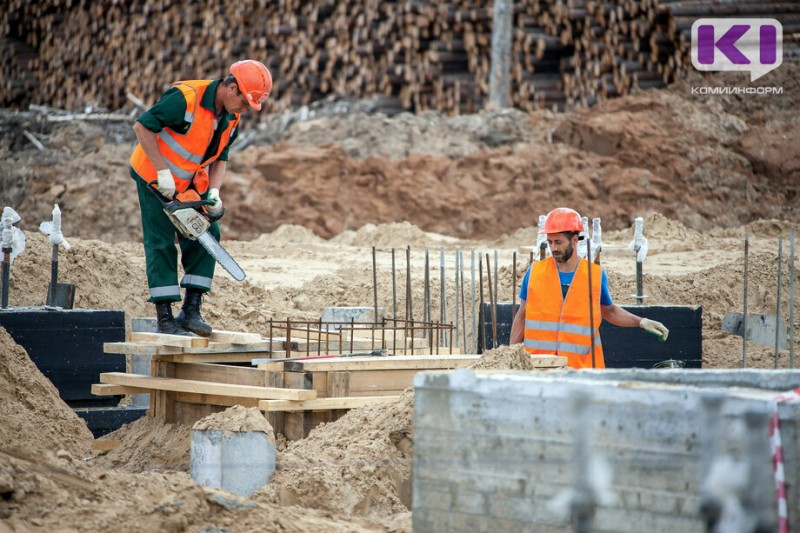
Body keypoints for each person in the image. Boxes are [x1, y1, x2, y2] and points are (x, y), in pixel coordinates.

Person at [130, 59, 272, 336]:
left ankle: (191, 310)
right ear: (232, 88)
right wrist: (162, 172)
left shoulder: (232, 117)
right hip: (152, 175)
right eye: (245, 102)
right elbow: (142, 127)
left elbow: (221, 157)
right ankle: (165, 318)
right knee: (161, 242)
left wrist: (214, 193)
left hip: (187, 183)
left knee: (207, 232)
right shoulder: (186, 98)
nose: (245, 109)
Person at [510, 207, 669, 368]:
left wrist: (641, 322)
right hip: (539, 367)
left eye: (558, 242)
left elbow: (610, 311)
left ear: (574, 240)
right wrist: (511, 357)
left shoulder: (594, 275)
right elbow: (522, 316)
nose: (554, 248)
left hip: (581, 371)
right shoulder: (535, 272)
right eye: (550, 242)